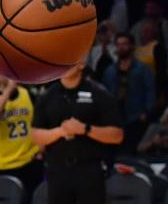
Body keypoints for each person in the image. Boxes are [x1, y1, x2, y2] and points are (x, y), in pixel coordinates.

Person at [31, 58, 124, 204]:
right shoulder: (46, 96)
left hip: (90, 170)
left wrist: (85, 129)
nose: (65, 65)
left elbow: (117, 135)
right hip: (57, 171)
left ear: (82, 64)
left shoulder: (99, 94)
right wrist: (60, 132)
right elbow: (36, 136)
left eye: (70, 59)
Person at [0, 73, 41, 199]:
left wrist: (41, 149)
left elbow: (41, 122)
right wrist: (8, 90)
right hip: (3, 164)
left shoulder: (27, 94)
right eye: (5, 73)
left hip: (29, 161)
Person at [101, 32, 155, 152]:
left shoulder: (143, 69)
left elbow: (150, 90)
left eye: (124, 44)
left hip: (136, 115)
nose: (121, 47)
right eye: (118, 44)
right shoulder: (110, 70)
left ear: (132, 46)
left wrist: (147, 112)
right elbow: (104, 93)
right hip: (116, 116)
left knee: (133, 150)